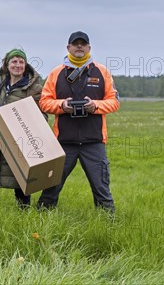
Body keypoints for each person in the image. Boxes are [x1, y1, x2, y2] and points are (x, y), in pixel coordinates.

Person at [37, 31, 119, 211]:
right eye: (76, 44)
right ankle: (41, 219)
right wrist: (62, 105)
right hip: (64, 141)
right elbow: (44, 102)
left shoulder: (102, 71)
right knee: (51, 187)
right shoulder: (56, 73)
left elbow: (114, 102)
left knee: (101, 187)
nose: (79, 47)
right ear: (68, 48)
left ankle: (108, 224)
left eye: (83, 44)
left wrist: (95, 106)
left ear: (89, 48)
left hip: (94, 141)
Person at [0, 48, 42, 210]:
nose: (18, 65)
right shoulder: (1, 86)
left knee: (21, 186)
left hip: (19, 143)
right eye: (14, 61)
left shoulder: (34, 89)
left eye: (21, 62)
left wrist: (5, 115)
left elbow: (40, 117)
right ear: (7, 65)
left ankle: (24, 219)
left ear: (25, 65)